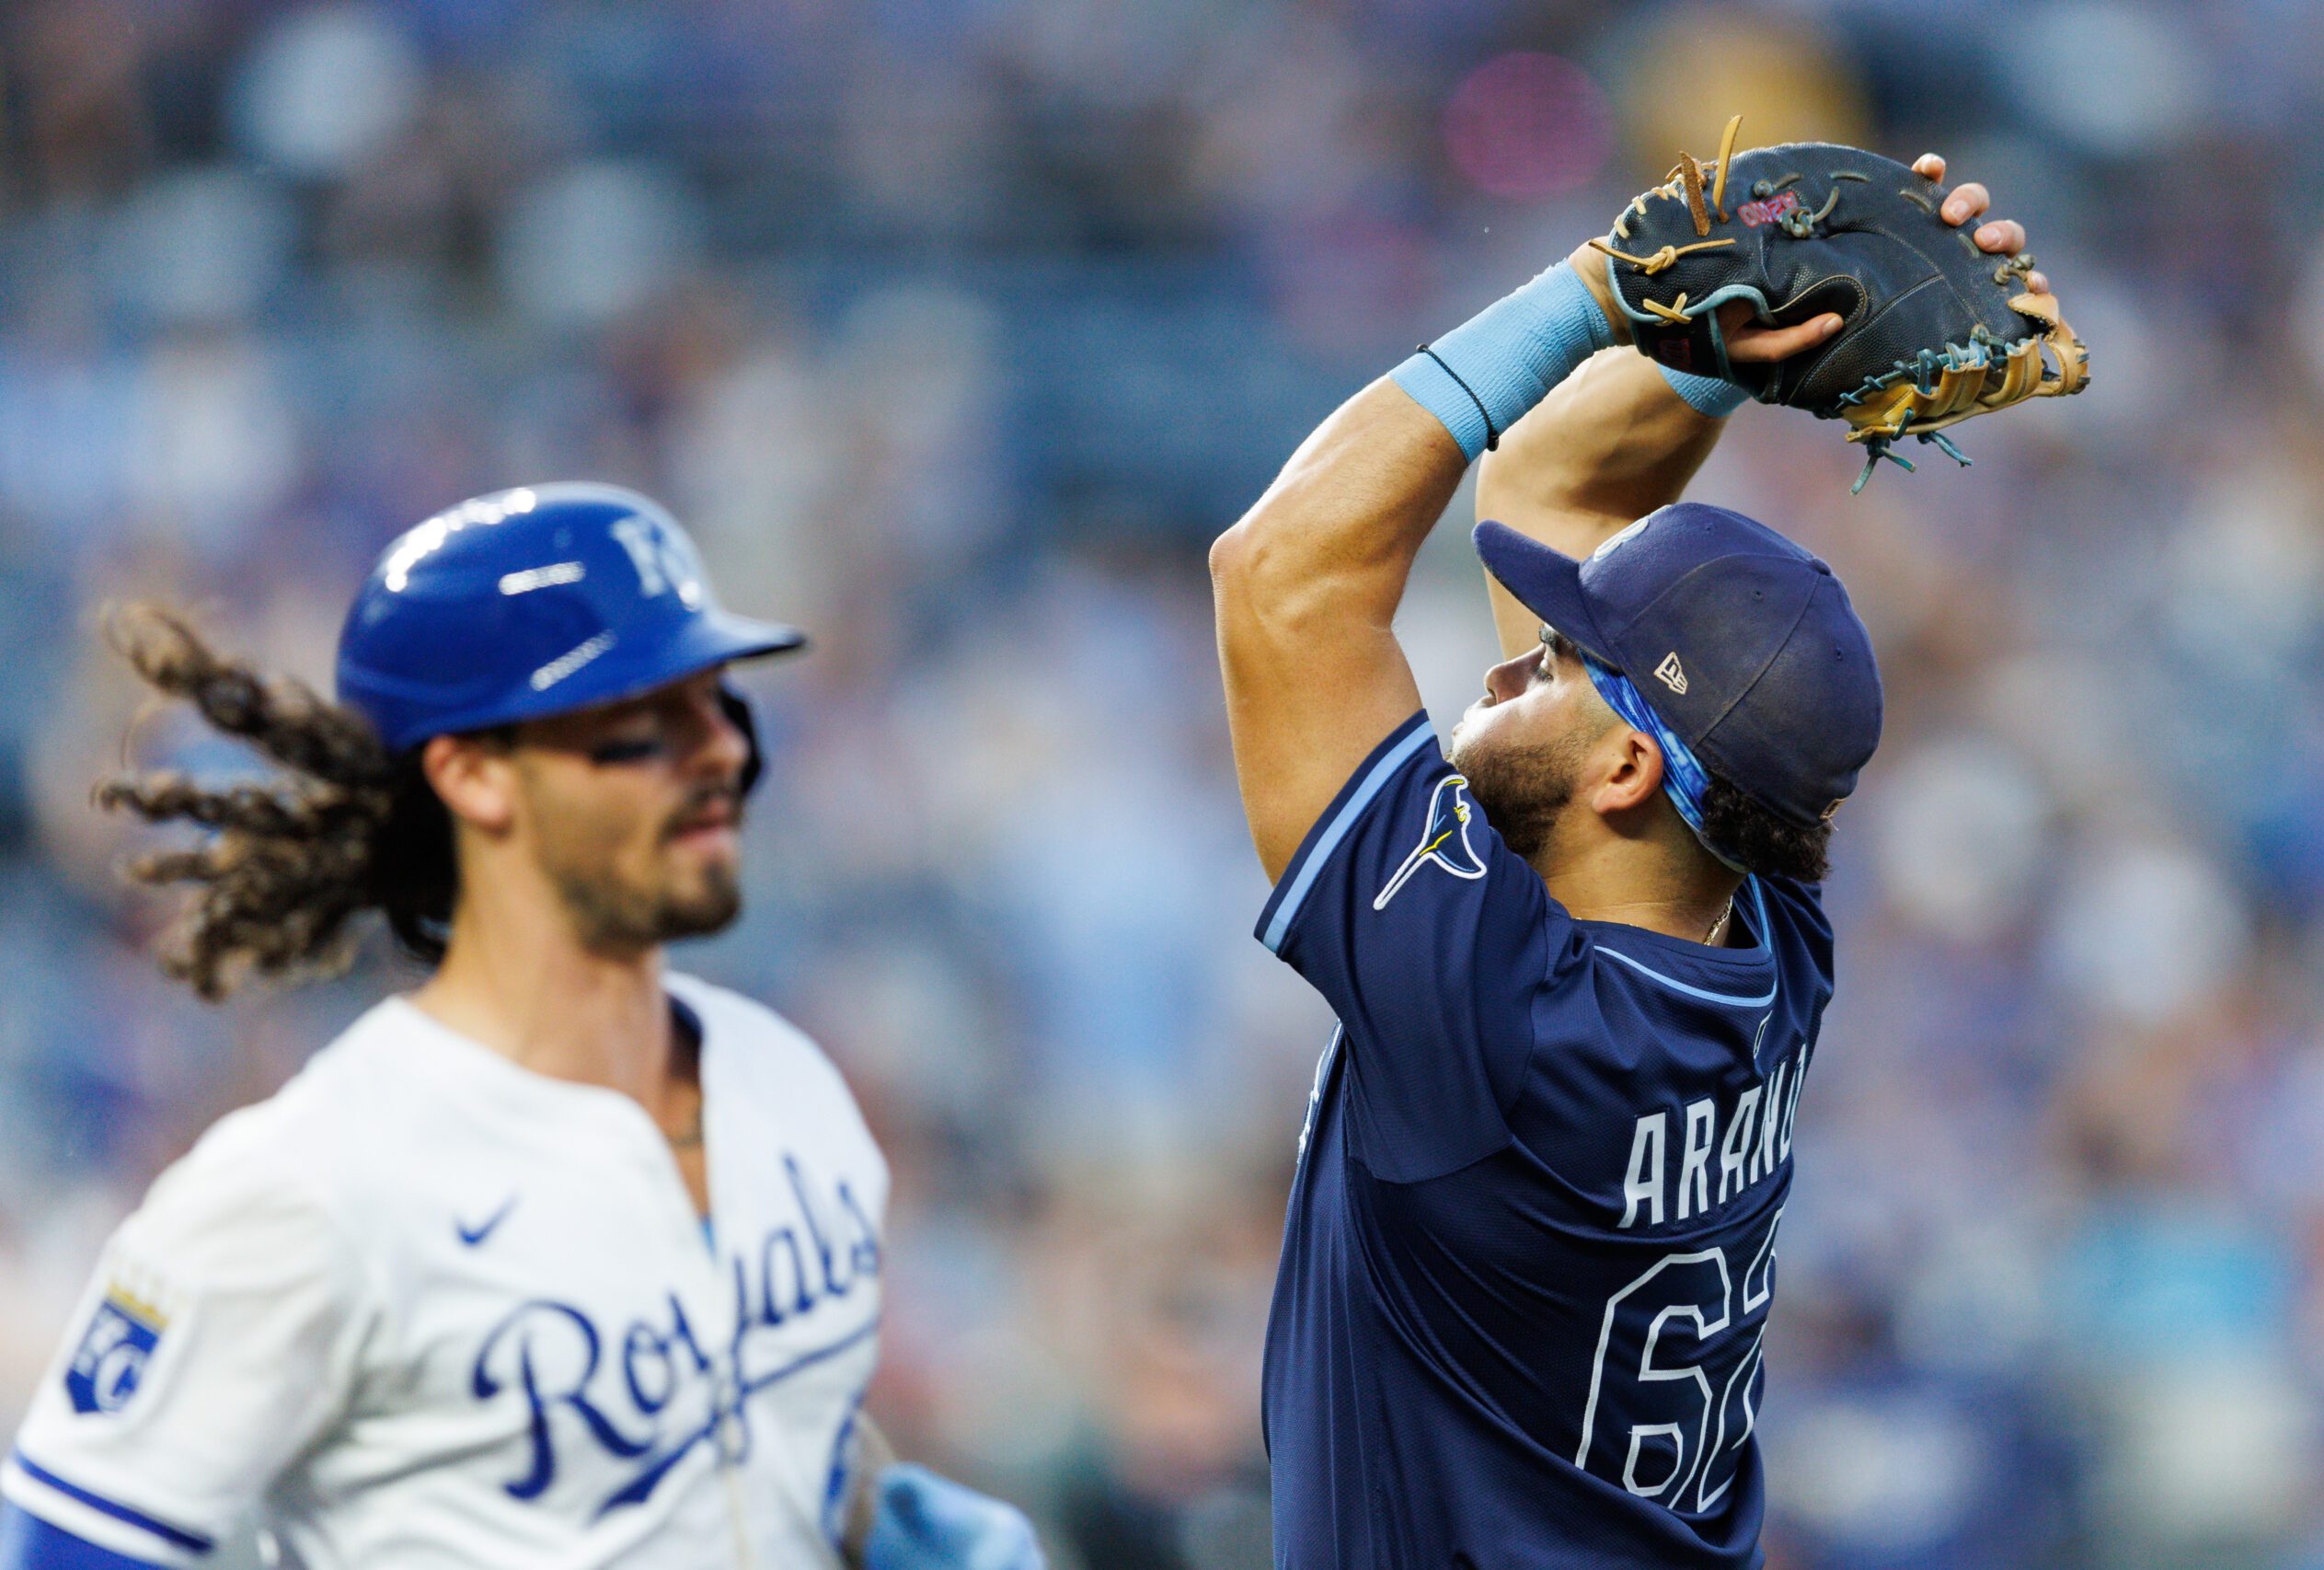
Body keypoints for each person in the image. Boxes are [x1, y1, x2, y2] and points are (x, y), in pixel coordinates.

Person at [1210, 158, 2050, 1568]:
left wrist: (1603, 287)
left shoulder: (1504, 1027)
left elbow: (1277, 572)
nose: (1498, 663)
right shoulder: (1754, 922)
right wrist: (1734, 342)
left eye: (1552, 661)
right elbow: (1552, 484)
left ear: (1626, 771)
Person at [0, 485, 1044, 1570]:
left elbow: (763, 1422)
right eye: (643, 724)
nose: (721, 750)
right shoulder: (309, 1185)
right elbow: (73, 1541)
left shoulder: (792, 1084)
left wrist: (858, 1502)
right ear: (473, 774)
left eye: (717, 701)